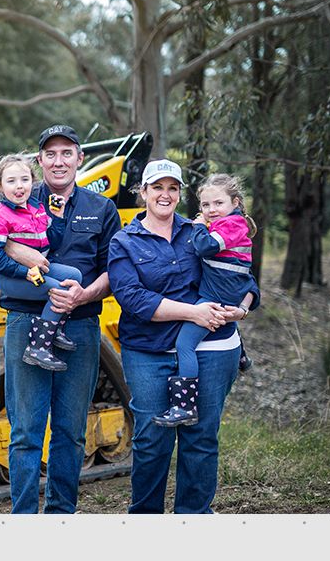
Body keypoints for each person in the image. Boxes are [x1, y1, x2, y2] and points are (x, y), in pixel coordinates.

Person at [0, 124, 121, 514]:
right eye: (50, 154)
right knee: (26, 432)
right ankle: (24, 519)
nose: (59, 161)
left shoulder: (101, 208)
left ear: (80, 158)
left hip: (80, 325)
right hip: (26, 322)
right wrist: (20, 251)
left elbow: (114, 270)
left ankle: (61, 515)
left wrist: (84, 294)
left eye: (67, 152)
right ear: (40, 161)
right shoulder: (19, 196)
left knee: (69, 431)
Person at [107, 159, 258, 514]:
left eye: (172, 188)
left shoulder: (200, 232)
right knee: (152, 438)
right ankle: (145, 518)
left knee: (200, 436)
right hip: (149, 351)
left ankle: (193, 518)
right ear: (143, 193)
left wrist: (243, 308)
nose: (165, 194)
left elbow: (244, 278)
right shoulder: (124, 241)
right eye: (156, 187)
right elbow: (132, 298)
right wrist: (193, 312)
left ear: (179, 194)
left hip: (208, 348)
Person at [154, 173, 258, 427]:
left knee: (185, 345)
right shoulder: (229, 223)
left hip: (215, 298)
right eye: (205, 205)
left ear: (235, 203)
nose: (211, 210)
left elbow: (205, 248)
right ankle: (243, 356)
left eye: (218, 204)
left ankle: (184, 405)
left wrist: (198, 225)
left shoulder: (232, 225)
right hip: (224, 292)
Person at [0, 152, 82, 371]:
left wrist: (58, 216)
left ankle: (54, 329)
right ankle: (38, 347)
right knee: (57, 290)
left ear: (32, 182)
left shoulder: (37, 208)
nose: (19, 186)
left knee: (74, 276)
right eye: (11, 181)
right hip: (13, 276)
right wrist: (24, 272)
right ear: (0, 185)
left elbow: (52, 242)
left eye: (24, 180)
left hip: (36, 269)